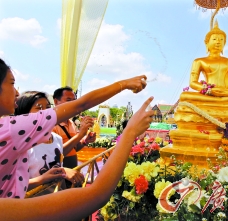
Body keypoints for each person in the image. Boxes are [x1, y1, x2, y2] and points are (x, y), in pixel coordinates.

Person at [0, 57, 150, 203]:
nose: (17, 92)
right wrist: (123, 86)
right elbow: (81, 104)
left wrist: (43, 178)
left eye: (47, 107)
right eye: (12, 83)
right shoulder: (11, 129)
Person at [15, 91, 84, 191]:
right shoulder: (20, 145)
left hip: (57, 200)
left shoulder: (56, 139)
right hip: (32, 204)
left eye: (47, 107)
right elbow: (13, 187)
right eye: (39, 107)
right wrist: (43, 179)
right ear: (24, 113)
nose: (45, 112)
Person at [189, 21, 228, 97]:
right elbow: (192, 82)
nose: (218, 42)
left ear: (224, 43)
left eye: (221, 40)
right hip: (208, 94)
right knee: (185, 96)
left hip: (227, 95)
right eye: (214, 39)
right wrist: (207, 89)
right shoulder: (199, 61)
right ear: (206, 43)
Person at [52, 86, 96, 169]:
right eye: (68, 100)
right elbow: (57, 154)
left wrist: (85, 141)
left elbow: (74, 148)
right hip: (59, 174)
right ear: (56, 102)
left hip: (72, 172)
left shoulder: (71, 123)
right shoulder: (52, 124)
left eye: (74, 101)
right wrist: (80, 135)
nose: (73, 104)